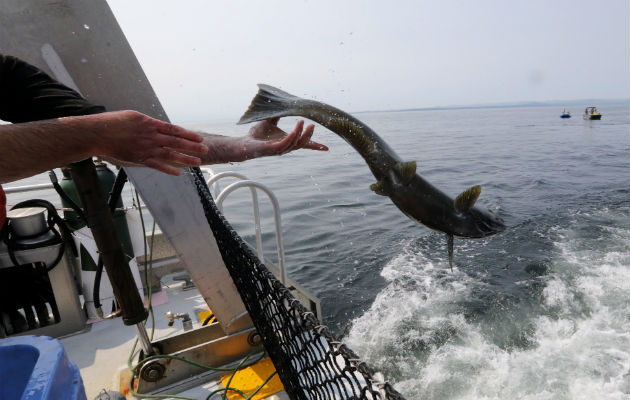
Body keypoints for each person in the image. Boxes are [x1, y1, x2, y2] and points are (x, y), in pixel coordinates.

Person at [0, 54, 327, 226]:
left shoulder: (8, 73)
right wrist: (94, 134)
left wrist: (247, 146)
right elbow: (107, 134)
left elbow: (133, 140)